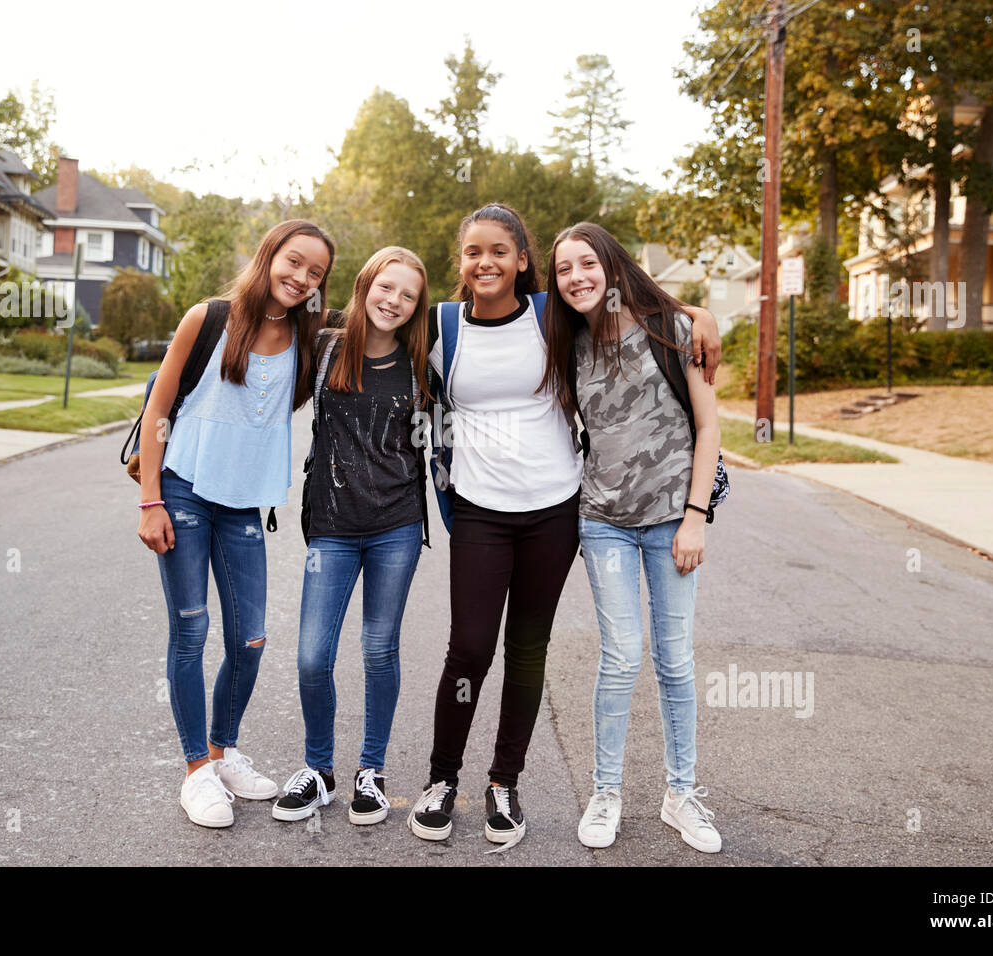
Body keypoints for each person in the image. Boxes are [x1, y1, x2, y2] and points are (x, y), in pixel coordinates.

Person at [408, 202, 722, 851]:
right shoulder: (441, 326)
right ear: (461, 262)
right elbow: (367, 334)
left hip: (555, 510)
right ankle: (442, 781)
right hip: (481, 511)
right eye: (473, 252)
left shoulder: (552, 314)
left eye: (501, 250)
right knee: (470, 647)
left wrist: (698, 314)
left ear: (523, 260)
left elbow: (631, 299)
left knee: (530, 650)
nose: (486, 262)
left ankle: (504, 784)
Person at [137, 219, 335, 828]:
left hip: (243, 505)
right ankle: (196, 771)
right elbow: (158, 409)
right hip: (185, 490)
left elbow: (382, 326)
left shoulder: (309, 337)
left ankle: (222, 752)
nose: (300, 278)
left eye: (315, 273)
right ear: (269, 254)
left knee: (249, 641)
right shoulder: (209, 318)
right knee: (191, 633)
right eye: (293, 262)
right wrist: (150, 499)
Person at [542, 221, 723, 853]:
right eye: (564, 270)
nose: (576, 278)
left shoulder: (672, 332)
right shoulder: (566, 341)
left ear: (612, 265)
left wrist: (696, 516)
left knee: (675, 660)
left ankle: (681, 794)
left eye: (586, 263)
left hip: (674, 521)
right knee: (621, 658)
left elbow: (708, 427)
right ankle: (607, 792)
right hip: (603, 522)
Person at [271, 247, 432, 826]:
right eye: (385, 287)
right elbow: (252, 331)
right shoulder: (326, 347)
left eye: (407, 295)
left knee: (378, 648)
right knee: (313, 656)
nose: (393, 301)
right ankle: (319, 771)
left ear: (418, 307)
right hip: (332, 530)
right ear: (365, 286)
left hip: (397, 528)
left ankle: (371, 771)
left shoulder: (423, 361)